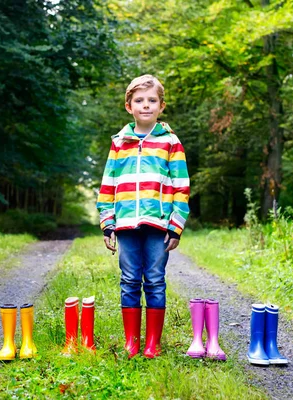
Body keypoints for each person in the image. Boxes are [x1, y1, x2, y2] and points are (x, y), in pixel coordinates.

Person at [96, 74, 190, 358]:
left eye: (152, 101)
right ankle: (131, 342)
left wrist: (176, 226)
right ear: (129, 106)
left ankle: (153, 343)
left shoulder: (171, 143)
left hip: (158, 225)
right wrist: (107, 223)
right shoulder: (119, 143)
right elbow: (108, 185)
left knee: (154, 280)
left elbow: (181, 186)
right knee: (129, 280)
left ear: (161, 106)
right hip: (125, 225)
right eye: (139, 101)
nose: (146, 105)